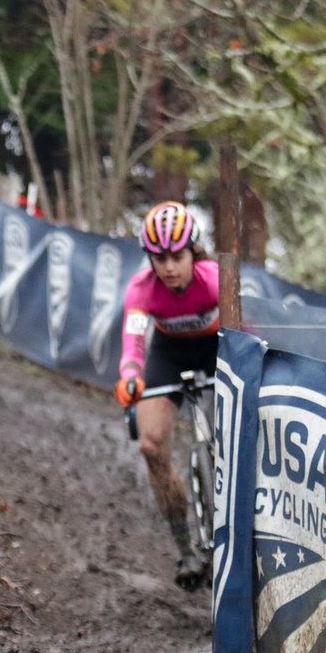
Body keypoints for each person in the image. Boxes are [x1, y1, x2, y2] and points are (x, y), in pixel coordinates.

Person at [114, 200, 219, 591]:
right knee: (151, 444)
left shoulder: (214, 280)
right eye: (159, 258)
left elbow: (246, 330)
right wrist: (129, 376)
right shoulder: (143, 289)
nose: (169, 266)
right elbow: (134, 342)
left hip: (217, 349)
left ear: (193, 251)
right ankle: (187, 548)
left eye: (177, 256)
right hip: (169, 354)